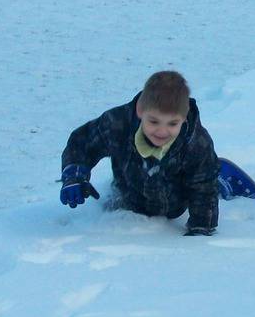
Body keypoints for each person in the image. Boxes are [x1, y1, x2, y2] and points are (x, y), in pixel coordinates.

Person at [59, 70, 225, 236]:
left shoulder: (196, 144)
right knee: (114, 208)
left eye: (172, 124)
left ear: (183, 118)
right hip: (128, 192)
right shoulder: (118, 124)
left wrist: (201, 227)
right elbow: (82, 142)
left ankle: (223, 183)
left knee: (204, 181)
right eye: (153, 121)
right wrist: (74, 174)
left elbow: (204, 189)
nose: (162, 131)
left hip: (175, 204)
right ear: (140, 109)